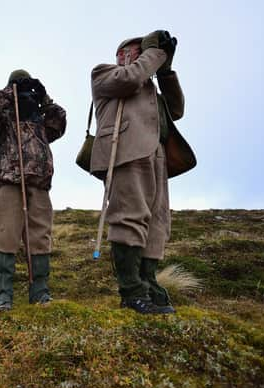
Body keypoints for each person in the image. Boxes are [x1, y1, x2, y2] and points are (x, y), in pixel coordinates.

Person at [90, 30, 196, 314]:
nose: (147, 57)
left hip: (157, 157)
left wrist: (167, 71)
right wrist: (154, 52)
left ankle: (147, 283)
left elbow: (177, 109)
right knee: (129, 216)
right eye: (141, 52)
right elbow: (131, 78)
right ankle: (131, 291)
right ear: (124, 54)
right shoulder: (104, 74)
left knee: (158, 223)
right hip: (125, 152)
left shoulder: (150, 88)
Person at [0, 70, 66, 311]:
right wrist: (8, 93)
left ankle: (40, 291)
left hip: (38, 181)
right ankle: (3, 293)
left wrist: (43, 97)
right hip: (10, 179)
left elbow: (60, 122)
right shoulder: (3, 114)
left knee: (40, 236)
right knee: (5, 235)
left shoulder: (41, 115)